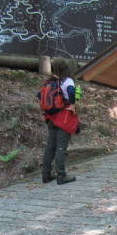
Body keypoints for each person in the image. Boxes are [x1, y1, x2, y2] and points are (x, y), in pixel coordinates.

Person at [39, 57, 79, 185]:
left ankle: (46, 175)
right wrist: (72, 105)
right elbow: (71, 91)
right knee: (61, 147)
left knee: (50, 146)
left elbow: (39, 95)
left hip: (51, 117)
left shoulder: (49, 82)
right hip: (64, 117)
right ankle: (61, 175)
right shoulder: (67, 81)